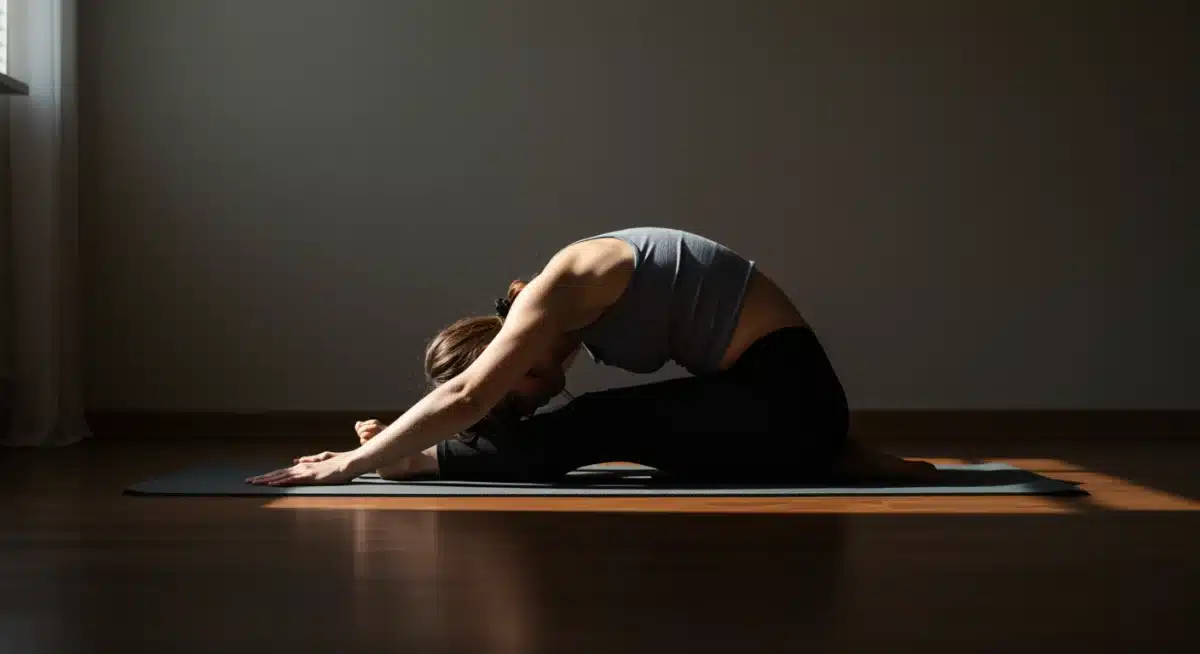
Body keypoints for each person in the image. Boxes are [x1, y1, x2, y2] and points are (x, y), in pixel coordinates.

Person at [247, 227, 936, 487]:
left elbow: (465, 398)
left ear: (511, 357)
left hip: (787, 401)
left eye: (519, 395)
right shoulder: (565, 313)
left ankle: (421, 460)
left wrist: (356, 464)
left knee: (597, 424)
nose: (540, 397)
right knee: (614, 424)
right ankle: (828, 454)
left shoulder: (560, 288)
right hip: (783, 406)